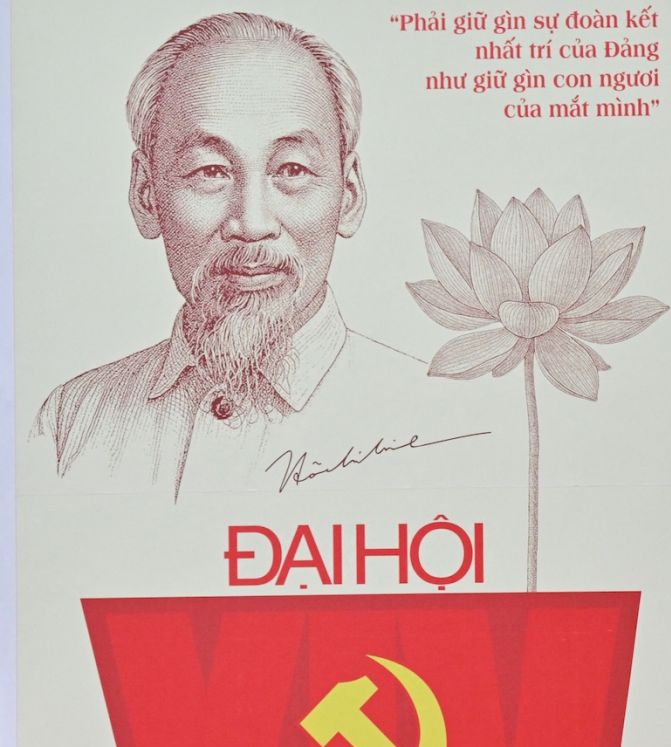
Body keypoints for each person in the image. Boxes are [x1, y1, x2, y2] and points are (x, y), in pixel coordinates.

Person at [33, 12, 499, 499]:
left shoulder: (445, 423)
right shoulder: (71, 420)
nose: (252, 223)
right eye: (210, 171)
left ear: (350, 195)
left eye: (292, 169)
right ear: (147, 195)